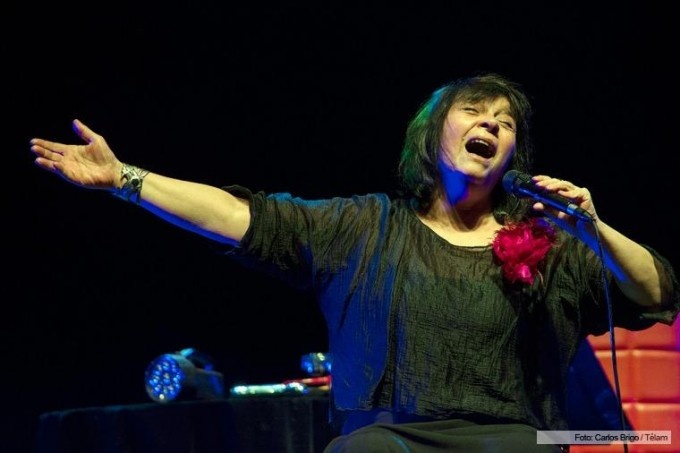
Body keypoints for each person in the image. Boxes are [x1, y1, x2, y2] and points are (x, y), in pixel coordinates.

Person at [30, 72, 679, 452]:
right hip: (388, 441)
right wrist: (126, 179)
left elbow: (657, 293)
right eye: (474, 112)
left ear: (513, 153)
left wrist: (593, 228)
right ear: (433, 133)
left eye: (505, 123)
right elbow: (237, 216)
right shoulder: (365, 228)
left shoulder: (549, 245)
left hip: (510, 441)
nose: (491, 125)